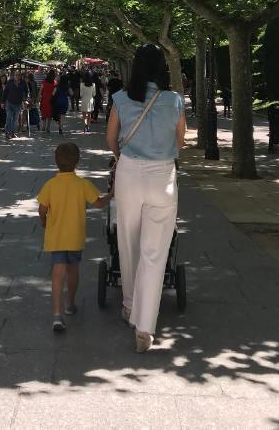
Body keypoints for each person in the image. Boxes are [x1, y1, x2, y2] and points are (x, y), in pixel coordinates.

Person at [106, 44, 186, 353]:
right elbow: (180, 141)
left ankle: (128, 304)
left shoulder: (121, 99)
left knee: (128, 242)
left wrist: (122, 158)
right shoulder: (174, 100)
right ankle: (145, 326)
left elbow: (111, 138)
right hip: (163, 175)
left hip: (130, 172)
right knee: (155, 253)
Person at [37, 142, 112, 333]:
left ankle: (56, 314)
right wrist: (112, 194)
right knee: (73, 270)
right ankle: (70, 303)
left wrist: (44, 221)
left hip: (56, 237)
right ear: (77, 162)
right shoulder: (83, 185)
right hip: (75, 237)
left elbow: (42, 209)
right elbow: (98, 203)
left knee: (57, 273)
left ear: (56, 162)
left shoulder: (50, 185)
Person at [4, 69, 29, 140]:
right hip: (9, 102)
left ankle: (12, 132)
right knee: (9, 118)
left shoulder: (23, 82)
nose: (17, 76)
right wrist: (2, 102)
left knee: (15, 119)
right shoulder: (10, 82)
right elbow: (5, 92)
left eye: (19, 75)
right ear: (14, 75)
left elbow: (26, 92)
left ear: (20, 76)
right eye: (16, 75)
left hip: (18, 103)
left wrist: (25, 99)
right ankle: (7, 132)